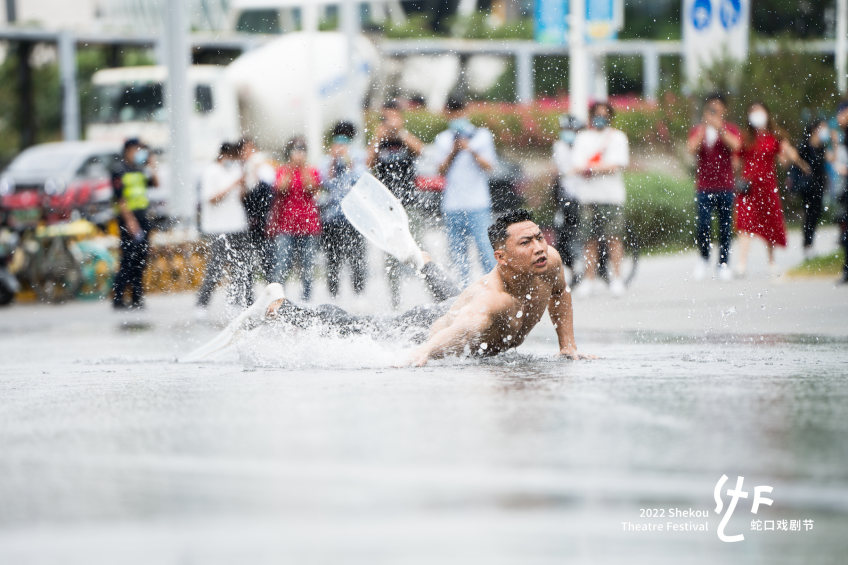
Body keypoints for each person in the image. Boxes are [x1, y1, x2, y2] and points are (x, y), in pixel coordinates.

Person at [260, 209, 592, 366]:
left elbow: (561, 294)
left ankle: (423, 261)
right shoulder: (490, 300)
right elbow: (467, 323)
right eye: (526, 242)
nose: (538, 247)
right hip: (422, 327)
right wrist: (423, 351)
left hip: (456, 304)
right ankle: (281, 307)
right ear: (501, 257)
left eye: (538, 237)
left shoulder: (549, 261)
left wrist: (568, 345)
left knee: (453, 295)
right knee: (356, 326)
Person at [735, 102, 810, 278]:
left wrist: (788, 153)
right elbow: (737, 160)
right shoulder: (746, 137)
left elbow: (784, 162)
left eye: (759, 111)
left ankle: (771, 261)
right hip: (749, 188)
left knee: (769, 226)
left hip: (768, 188)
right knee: (745, 224)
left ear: (767, 114)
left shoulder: (774, 137)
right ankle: (742, 263)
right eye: (752, 111)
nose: (756, 114)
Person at [432, 96, 498, 287]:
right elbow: (440, 170)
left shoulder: (481, 136)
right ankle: (464, 291)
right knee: (458, 255)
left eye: (459, 112)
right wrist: (454, 151)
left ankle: (493, 289)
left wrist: (470, 150)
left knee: (485, 250)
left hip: (478, 204)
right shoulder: (443, 139)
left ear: (466, 112)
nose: (456, 117)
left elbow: (489, 166)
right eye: (452, 113)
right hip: (452, 205)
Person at [367, 100, 424, 308]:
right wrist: (377, 138)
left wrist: (400, 133)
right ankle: (396, 303)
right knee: (391, 257)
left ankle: (429, 296)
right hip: (386, 208)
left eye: (392, 117)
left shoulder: (405, 137)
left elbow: (421, 151)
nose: (388, 123)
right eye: (385, 118)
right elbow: (367, 164)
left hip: (409, 204)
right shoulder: (379, 140)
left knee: (417, 251)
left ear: (400, 117)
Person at [570, 101, 630, 297]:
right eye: (597, 114)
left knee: (614, 238)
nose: (600, 118)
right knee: (589, 240)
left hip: (612, 197)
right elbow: (576, 165)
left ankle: (617, 278)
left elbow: (616, 165)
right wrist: (597, 168)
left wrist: (590, 168)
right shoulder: (583, 138)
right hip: (588, 197)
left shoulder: (617, 137)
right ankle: (589, 279)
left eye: (604, 114)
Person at [686, 93, 742, 282]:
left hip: (725, 186)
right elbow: (691, 149)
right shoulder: (698, 130)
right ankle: (703, 257)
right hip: (704, 186)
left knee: (725, 227)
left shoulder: (730, 129)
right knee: (703, 225)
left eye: (718, 108)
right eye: (711, 108)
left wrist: (720, 129)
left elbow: (736, 146)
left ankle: (723, 262)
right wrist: (704, 129)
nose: (714, 111)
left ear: (724, 110)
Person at [195, 142, 252, 314]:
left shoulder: (235, 170)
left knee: (242, 265)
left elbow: (242, 198)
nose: (233, 160)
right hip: (217, 227)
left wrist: (242, 184)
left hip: (238, 225)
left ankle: (239, 301)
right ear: (223, 155)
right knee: (216, 266)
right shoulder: (211, 171)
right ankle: (202, 304)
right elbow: (212, 198)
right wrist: (234, 184)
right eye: (231, 156)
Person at [267, 136, 322, 301]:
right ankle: (277, 300)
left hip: (309, 225)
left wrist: (303, 168)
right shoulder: (282, 171)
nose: (299, 154)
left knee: (307, 268)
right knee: (282, 266)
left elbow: (312, 188)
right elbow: (281, 189)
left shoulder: (312, 170)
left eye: (302, 151)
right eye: (295, 151)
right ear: (289, 153)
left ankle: (306, 301)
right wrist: (291, 169)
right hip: (286, 226)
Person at [320, 121, 368, 297]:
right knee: (333, 258)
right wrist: (333, 160)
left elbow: (362, 179)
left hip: (355, 216)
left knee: (357, 257)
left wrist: (349, 161)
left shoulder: (358, 155)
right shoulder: (326, 158)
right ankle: (333, 294)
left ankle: (359, 294)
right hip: (332, 216)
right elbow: (324, 182)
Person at [111, 138, 158, 310]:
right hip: (128, 221)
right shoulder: (119, 170)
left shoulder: (140, 169)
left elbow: (156, 183)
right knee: (128, 259)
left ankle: (137, 297)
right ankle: (118, 297)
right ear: (128, 150)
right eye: (137, 149)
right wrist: (131, 222)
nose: (139, 152)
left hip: (143, 219)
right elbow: (121, 199)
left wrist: (152, 165)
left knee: (141, 259)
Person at [238, 137, 277, 281]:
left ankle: (272, 287)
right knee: (246, 259)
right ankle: (248, 294)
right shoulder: (241, 168)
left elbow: (270, 187)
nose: (247, 153)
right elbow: (242, 195)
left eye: (249, 149)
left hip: (262, 218)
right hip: (246, 219)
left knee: (267, 258)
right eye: (244, 150)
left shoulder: (263, 166)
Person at [796, 119, 835, 259]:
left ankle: (809, 243)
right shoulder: (805, 145)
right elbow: (795, 158)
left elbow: (832, 159)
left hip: (819, 184)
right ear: (814, 129)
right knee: (809, 214)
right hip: (807, 185)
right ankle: (807, 244)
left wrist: (834, 143)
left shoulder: (822, 147)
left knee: (816, 213)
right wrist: (803, 166)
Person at [551, 114, 583, 276]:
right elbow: (560, 171)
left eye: (570, 129)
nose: (567, 132)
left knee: (588, 232)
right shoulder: (559, 146)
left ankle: (598, 266)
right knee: (563, 233)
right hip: (566, 196)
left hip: (585, 195)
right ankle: (571, 265)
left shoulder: (584, 145)